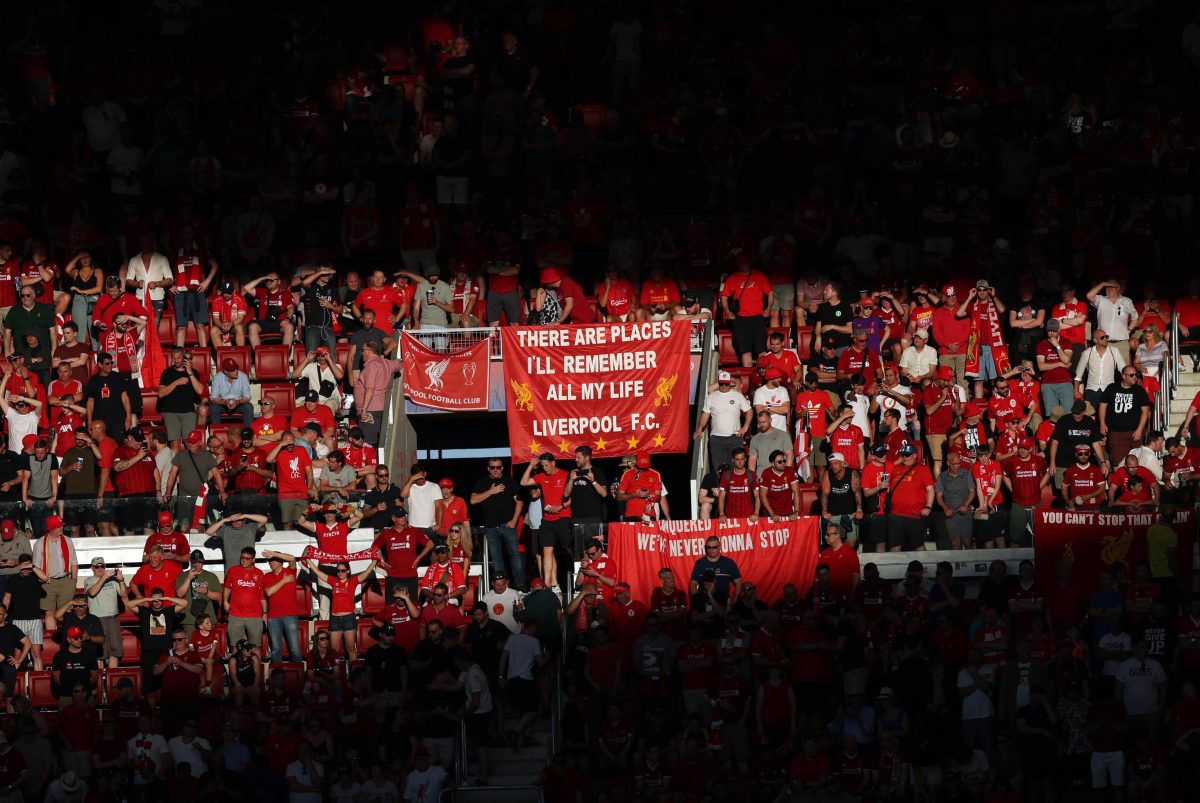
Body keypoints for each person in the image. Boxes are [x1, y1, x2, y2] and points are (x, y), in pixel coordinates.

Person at [303, 557, 378, 660]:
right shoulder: (333, 581)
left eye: (342, 570)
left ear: (348, 571)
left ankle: (354, 674)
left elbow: (366, 573)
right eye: (338, 571)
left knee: (351, 648)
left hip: (348, 618)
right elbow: (318, 572)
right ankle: (336, 675)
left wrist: (374, 561)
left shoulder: (353, 581)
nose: (340, 573)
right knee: (334, 651)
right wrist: (308, 560)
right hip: (335, 619)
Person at [471, 459, 525, 590]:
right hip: (490, 528)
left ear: (502, 468)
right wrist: (491, 491)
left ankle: (520, 586)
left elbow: (520, 502)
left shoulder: (509, 481)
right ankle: (501, 588)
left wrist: (514, 521)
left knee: (515, 556)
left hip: (507, 526)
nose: (495, 470)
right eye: (492, 467)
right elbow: (473, 500)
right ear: (488, 468)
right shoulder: (482, 482)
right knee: (496, 559)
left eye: (498, 467)